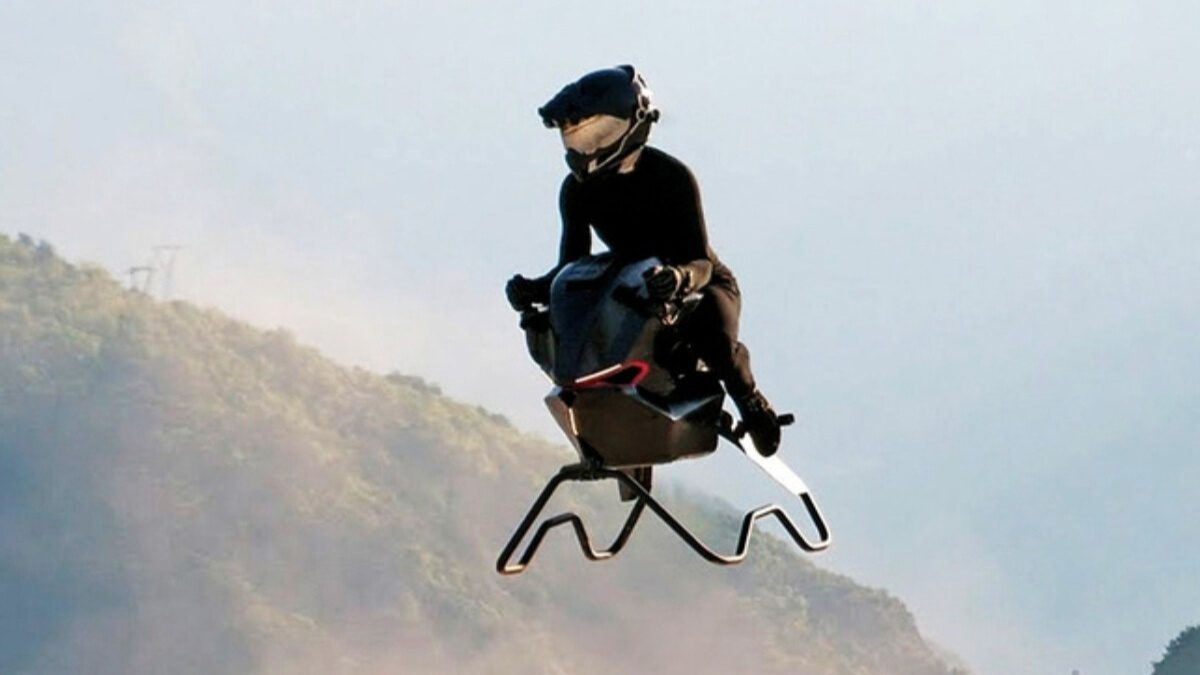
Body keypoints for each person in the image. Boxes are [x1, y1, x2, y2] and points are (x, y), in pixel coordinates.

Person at [505, 65, 784, 456]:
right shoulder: (576, 191)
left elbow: (700, 262)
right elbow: (571, 265)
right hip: (634, 282)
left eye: (597, 136)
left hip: (699, 282)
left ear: (633, 127)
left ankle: (750, 401)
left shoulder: (672, 177)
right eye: (577, 139)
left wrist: (679, 277)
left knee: (715, 340)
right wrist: (535, 290)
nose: (585, 150)